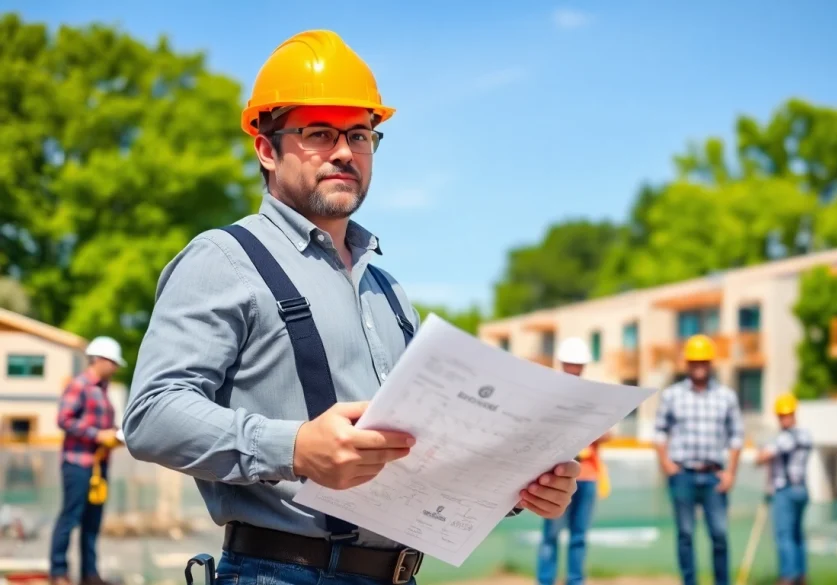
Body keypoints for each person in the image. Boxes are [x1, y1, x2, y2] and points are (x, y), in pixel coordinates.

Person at [122, 29, 579, 585]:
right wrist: (294, 447)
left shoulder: (388, 292)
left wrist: (517, 489)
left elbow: (420, 453)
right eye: (319, 133)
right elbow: (151, 415)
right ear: (266, 148)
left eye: (359, 134)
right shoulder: (223, 259)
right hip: (281, 573)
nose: (344, 151)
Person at [652, 334, 743, 585]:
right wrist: (666, 464)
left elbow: (736, 436)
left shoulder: (726, 396)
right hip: (683, 475)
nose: (699, 366)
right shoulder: (672, 395)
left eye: (703, 361)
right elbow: (659, 431)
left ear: (711, 363)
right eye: (694, 361)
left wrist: (731, 473)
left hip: (715, 476)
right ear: (687, 364)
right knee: (685, 534)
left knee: (720, 534)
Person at [536, 337, 613, 585]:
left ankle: (575, 581)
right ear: (562, 364)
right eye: (569, 364)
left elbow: (609, 434)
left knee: (579, 536)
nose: (573, 369)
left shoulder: (596, 396)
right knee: (551, 535)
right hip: (556, 477)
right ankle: (546, 580)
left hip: (587, 476)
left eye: (577, 365)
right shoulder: (551, 396)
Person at [50, 336, 126, 585]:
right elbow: (64, 419)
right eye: (113, 362)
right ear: (100, 359)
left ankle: (89, 574)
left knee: (92, 520)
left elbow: (101, 426)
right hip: (77, 464)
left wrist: (114, 435)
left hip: (98, 465)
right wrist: (97, 434)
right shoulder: (79, 385)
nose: (115, 368)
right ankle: (58, 573)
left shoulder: (102, 390)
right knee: (70, 517)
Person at [756, 394, 812, 585]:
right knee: (797, 535)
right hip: (802, 490)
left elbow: (763, 457)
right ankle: (801, 576)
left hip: (785, 491)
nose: (783, 419)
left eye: (784, 415)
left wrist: (761, 451)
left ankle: (787, 577)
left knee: (784, 535)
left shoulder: (784, 439)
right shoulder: (806, 434)